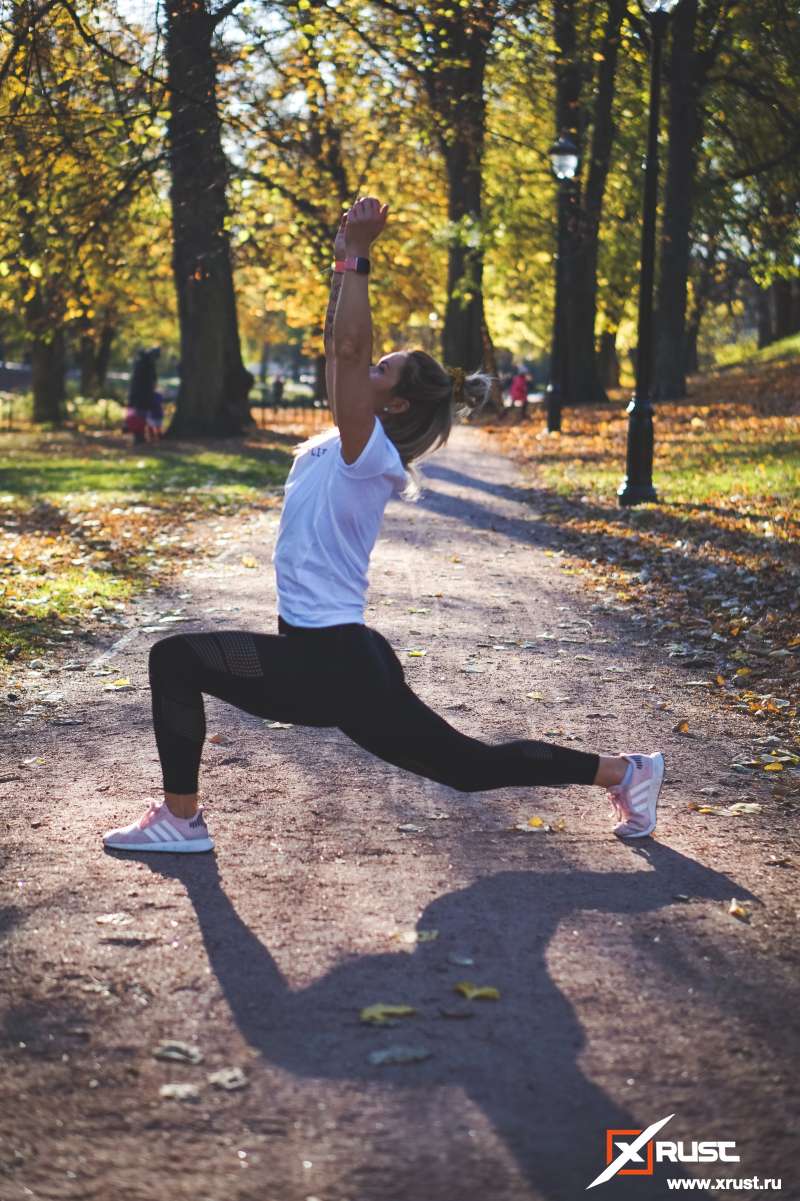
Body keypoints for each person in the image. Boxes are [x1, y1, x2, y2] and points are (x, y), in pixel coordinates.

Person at [103, 197, 663, 855]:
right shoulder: (342, 437)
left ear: (394, 402)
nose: (359, 369)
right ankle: (628, 772)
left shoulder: (369, 452)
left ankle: (182, 820)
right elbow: (335, 345)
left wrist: (358, 257)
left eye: (378, 370)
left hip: (331, 661)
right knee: (467, 766)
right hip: (331, 657)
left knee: (176, 660)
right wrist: (342, 260)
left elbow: (346, 346)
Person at [123, 347, 161, 445]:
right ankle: (138, 436)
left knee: (140, 416)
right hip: (142, 396)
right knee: (140, 416)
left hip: (139, 396)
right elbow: (150, 381)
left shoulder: (141, 364)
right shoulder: (146, 365)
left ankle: (139, 436)